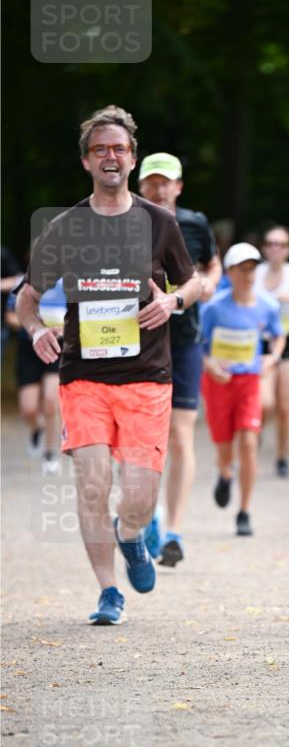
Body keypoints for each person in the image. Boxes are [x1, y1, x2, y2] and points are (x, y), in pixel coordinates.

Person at [16, 105, 199, 625]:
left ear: (133, 158)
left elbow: (193, 283)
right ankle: (108, 591)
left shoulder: (159, 222)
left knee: (139, 497)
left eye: (119, 148)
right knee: (93, 483)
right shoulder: (66, 227)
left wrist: (172, 302)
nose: (110, 157)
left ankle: (131, 534)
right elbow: (27, 297)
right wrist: (36, 330)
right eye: (100, 150)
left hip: (147, 377)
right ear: (86, 161)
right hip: (84, 377)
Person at [138, 152, 222, 567]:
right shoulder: (123, 223)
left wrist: (207, 284)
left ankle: (173, 530)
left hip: (185, 339)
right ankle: (149, 513)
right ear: (140, 186)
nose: (159, 189)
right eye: (151, 182)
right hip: (137, 341)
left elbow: (212, 265)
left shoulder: (194, 223)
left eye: (165, 181)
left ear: (179, 186)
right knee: (145, 435)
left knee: (182, 434)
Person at [200, 242, 285, 537]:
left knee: (249, 442)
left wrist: (273, 358)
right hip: (218, 382)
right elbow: (200, 345)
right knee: (224, 447)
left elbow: (278, 336)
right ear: (229, 272)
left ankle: (244, 511)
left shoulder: (268, 305)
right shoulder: (213, 307)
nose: (248, 275)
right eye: (242, 269)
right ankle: (225, 473)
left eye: (252, 269)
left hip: (249, 381)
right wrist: (210, 365)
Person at [255, 225, 289, 477]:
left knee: (286, 407)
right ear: (264, 248)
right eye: (271, 243)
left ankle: (282, 457)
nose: (275, 248)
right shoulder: (254, 273)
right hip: (261, 342)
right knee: (263, 404)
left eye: (281, 244)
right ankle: (252, 447)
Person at [5, 278, 66, 473]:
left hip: (57, 344)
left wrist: (59, 328)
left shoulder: (67, 281)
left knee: (51, 400)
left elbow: (75, 316)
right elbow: (11, 317)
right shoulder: (22, 283)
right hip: (29, 346)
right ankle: (36, 429)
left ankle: (50, 453)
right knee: (28, 408)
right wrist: (34, 326)